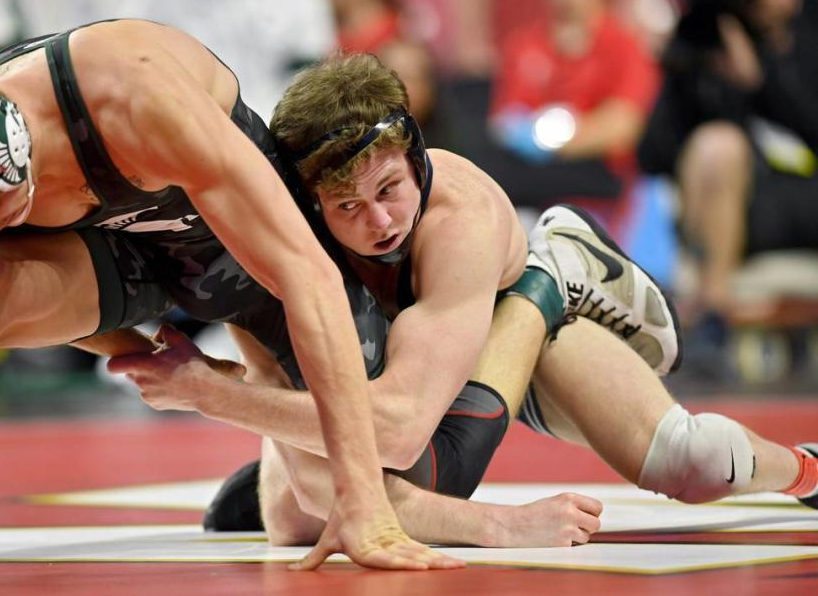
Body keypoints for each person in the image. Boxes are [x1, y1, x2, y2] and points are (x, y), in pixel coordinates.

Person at [109, 53, 818, 556]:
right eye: (348, 206)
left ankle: (553, 279)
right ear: (310, 205)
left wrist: (207, 392)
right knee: (298, 517)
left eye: (389, 189)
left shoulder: (459, 219)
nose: (380, 222)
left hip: (505, 324)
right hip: (403, 370)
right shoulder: (282, 248)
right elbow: (329, 463)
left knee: (694, 460)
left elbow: (406, 440)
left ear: (417, 157)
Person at [0, 19, 461, 571]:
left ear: (10, 153)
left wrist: (361, 501)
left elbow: (304, 273)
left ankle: (529, 301)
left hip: (229, 246)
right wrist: (144, 355)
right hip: (115, 258)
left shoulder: (133, 94)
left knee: (398, 450)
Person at [638, 0, 818, 318]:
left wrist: (760, 82)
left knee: (721, 148)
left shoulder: (807, 35)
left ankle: (712, 310)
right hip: (732, 202)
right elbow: (652, 153)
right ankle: (712, 310)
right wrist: (684, 72)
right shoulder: (707, 35)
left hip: (802, 196)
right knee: (716, 145)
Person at [472, 0, 659, 213]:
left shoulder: (625, 46)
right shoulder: (524, 45)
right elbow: (504, 122)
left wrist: (552, 140)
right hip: (528, 181)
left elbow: (623, 126)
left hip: (598, 181)